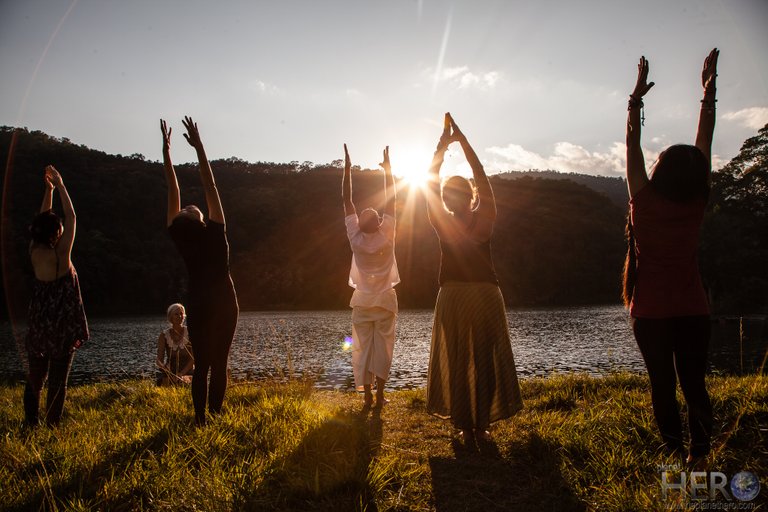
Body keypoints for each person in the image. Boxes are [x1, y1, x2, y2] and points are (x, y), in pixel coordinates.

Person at [623, 49, 719, 466]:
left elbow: (632, 144)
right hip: (693, 309)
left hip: (650, 312)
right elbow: (705, 141)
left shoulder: (642, 201)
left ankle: (676, 455)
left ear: (660, 170)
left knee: (662, 385)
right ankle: (700, 457)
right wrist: (707, 94)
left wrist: (636, 98)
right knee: (694, 384)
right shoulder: (697, 200)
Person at [425, 113, 523, 443]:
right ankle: (481, 426)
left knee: (457, 359)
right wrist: (461, 140)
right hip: (485, 293)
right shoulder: (487, 215)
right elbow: (480, 174)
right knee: (485, 359)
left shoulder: (441, 221)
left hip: (453, 294)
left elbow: (429, 182)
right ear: (470, 194)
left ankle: (467, 428)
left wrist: (441, 145)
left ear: (447, 199)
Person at [161, 117, 239, 425]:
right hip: (223, 301)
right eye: (186, 207)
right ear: (193, 219)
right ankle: (209, 417)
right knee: (216, 364)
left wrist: (167, 153)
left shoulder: (179, 235)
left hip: (201, 302)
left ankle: (202, 419)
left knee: (206, 363)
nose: (189, 205)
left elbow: (172, 186)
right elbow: (209, 184)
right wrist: (199, 147)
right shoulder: (216, 229)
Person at [24, 165, 89, 427]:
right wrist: (60, 185)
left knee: (36, 376)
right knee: (58, 378)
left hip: (40, 322)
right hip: (61, 323)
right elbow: (71, 216)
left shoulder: (33, 250)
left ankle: (30, 423)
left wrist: (47, 190)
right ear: (56, 234)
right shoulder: (61, 257)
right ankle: (52, 425)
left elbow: (42, 218)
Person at [342, 144, 400, 408]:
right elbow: (392, 200)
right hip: (385, 301)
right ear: (378, 222)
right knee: (383, 348)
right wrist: (388, 170)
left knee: (363, 348)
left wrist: (347, 168)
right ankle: (379, 396)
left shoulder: (355, 238)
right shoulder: (387, 233)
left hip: (362, 302)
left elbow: (347, 201)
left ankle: (367, 396)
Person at [156, 303, 194, 386]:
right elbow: (159, 360)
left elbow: (193, 359)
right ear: (170, 317)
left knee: (183, 381)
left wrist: (181, 374)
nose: (180, 316)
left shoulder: (190, 332)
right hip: (171, 371)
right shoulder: (164, 335)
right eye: (176, 314)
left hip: (188, 371)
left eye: (181, 314)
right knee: (162, 381)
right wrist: (165, 368)